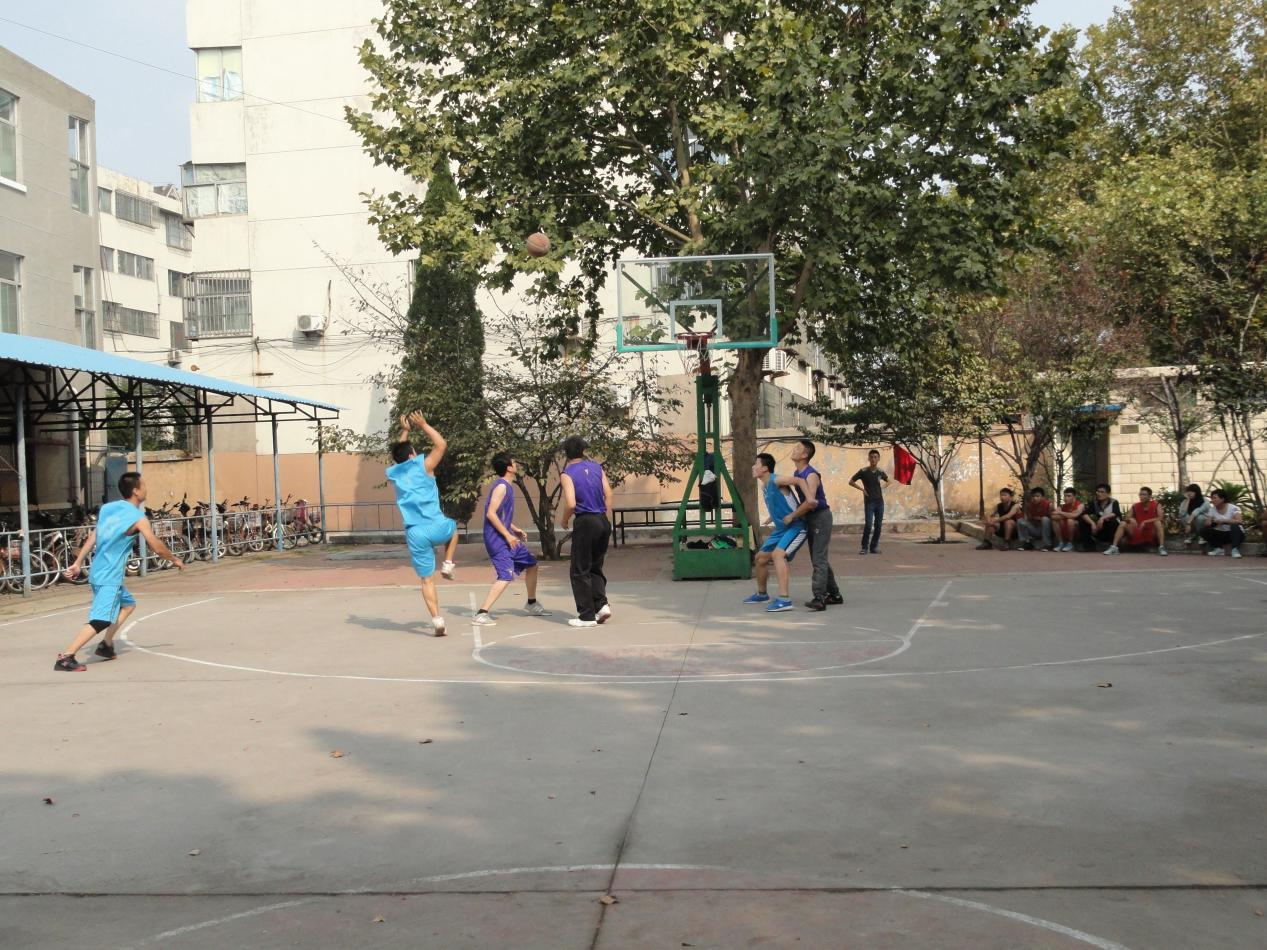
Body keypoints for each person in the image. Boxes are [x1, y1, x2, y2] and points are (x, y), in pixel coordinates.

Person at [54, 471, 186, 672]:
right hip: (109, 576)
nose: (146, 488)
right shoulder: (138, 518)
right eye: (143, 485)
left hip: (99, 570)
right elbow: (156, 546)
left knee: (128, 605)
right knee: (101, 620)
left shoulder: (108, 508)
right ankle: (66, 657)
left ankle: (106, 645)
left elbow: (95, 535)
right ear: (136, 491)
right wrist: (175, 559)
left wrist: (78, 562)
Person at [387, 412, 460, 636]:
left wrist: (405, 431)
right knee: (453, 529)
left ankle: (437, 620)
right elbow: (441, 444)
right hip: (437, 526)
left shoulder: (396, 475)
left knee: (426, 580)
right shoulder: (424, 466)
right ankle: (448, 563)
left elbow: (400, 455)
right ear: (413, 454)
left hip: (415, 532)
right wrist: (424, 425)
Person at [472, 453, 550, 625]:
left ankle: (531, 603)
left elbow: (500, 515)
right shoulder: (501, 487)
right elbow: (491, 514)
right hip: (497, 539)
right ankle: (481, 613)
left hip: (506, 536)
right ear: (508, 468)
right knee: (505, 576)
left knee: (532, 564)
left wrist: (514, 529)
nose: (516, 464)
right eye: (514, 462)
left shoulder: (507, 485)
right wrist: (507, 535)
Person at [745, 453, 814, 612]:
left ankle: (784, 600)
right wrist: (772, 517)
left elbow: (800, 481)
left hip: (796, 527)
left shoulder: (776, 480)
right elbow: (780, 502)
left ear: (765, 468)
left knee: (778, 555)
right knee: (760, 558)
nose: (753, 467)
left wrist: (809, 498)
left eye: (756, 464)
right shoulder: (765, 486)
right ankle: (762, 594)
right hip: (781, 529)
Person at [559, 436, 613, 628]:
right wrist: (604, 516)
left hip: (585, 521)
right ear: (583, 450)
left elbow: (571, 503)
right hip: (602, 519)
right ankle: (601, 605)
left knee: (579, 569)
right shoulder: (597, 467)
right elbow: (609, 494)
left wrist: (564, 519)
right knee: (595, 566)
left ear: (566, 453)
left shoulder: (567, 474)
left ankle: (586, 616)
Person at [790, 439, 844, 611]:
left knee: (818, 558)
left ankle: (819, 598)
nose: (794, 449)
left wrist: (793, 515)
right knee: (819, 558)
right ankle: (835, 595)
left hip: (820, 517)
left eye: (797, 448)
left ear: (805, 455)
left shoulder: (811, 475)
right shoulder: (797, 473)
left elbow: (811, 502)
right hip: (811, 519)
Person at [1104, 486, 1168, 556]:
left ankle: (1161, 547)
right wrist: (1131, 519)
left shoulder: (1156, 504)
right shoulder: (1135, 506)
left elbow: (1160, 518)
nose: (1141, 496)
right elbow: (1127, 517)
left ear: (1150, 496)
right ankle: (1114, 547)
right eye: (1140, 494)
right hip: (1138, 530)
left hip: (1152, 531)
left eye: (1144, 494)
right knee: (1123, 523)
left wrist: (1145, 522)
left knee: (1158, 522)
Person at [849, 449, 888, 555]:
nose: (873, 459)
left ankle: (874, 547)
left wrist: (884, 486)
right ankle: (864, 547)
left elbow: (888, 481)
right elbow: (851, 482)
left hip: (879, 502)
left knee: (878, 526)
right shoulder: (863, 471)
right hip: (869, 502)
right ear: (868, 459)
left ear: (878, 459)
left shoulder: (880, 472)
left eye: (875, 457)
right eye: (871, 457)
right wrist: (862, 489)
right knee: (868, 525)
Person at [1201, 488, 1244, 557]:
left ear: (1222, 499)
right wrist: (1211, 522)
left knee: (1235, 525)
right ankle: (1218, 549)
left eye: (1215, 498)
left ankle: (1235, 550)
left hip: (1235, 534)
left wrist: (1224, 521)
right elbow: (1207, 523)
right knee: (1204, 530)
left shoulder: (1233, 508)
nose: (1212, 500)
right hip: (1221, 535)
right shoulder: (1212, 509)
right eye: (1212, 498)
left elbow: (1239, 521)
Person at [1080, 483, 1122, 550]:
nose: (1099, 494)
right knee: (1082, 522)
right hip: (1100, 527)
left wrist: (1102, 518)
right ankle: (1089, 545)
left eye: (1102, 492)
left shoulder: (1114, 502)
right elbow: (1084, 514)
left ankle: (1111, 545)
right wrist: (1092, 523)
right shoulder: (1095, 503)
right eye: (1098, 492)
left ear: (1108, 494)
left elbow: (1115, 513)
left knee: (1112, 522)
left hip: (1112, 528)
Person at [1017, 487, 1055, 551]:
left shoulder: (1049, 504)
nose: (1035, 498)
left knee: (1045, 519)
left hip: (1045, 529)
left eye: (1037, 496)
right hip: (1034, 528)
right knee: (1020, 521)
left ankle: (1048, 544)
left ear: (1043, 497)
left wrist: (1041, 519)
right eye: (1033, 496)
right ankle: (1027, 542)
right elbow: (1028, 519)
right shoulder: (1029, 506)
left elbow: (1053, 519)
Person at [1051, 488, 1087, 552]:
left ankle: (1071, 543)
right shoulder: (1062, 506)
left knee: (1070, 520)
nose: (1066, 498)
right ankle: (1061, 543)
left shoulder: (1080, 505)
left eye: (1069, 496)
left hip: (1077, 532)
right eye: (1065, 496)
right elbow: (1053, 516)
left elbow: (1075, 515)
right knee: (1055, 521)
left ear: (1074, 497)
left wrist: (1061, 513)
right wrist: (1069, 514)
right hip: (1064, 530)